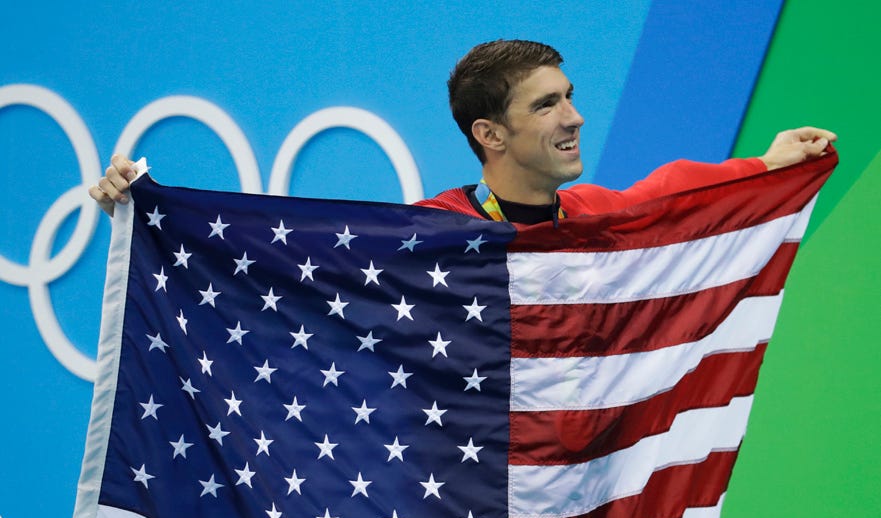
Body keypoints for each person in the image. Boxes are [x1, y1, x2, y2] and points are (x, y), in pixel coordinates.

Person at [89, 40, 836, 224]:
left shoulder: (599, 222)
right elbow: (268, 255)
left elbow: (671, 191)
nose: (573, 117)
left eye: (569, 97)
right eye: (545, 106)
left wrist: (769, 163)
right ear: (490, 134)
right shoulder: (432, 235)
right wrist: (146, 210)